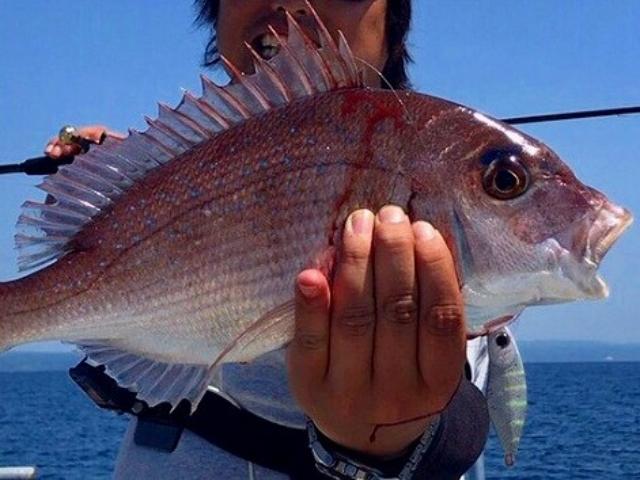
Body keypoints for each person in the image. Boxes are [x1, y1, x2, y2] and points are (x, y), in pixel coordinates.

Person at [45, 1, 489, 478]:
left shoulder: (440, 165)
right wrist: (110, 184)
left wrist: (388, 444)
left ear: (393, 28)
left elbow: (461, 413)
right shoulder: (174, 180)